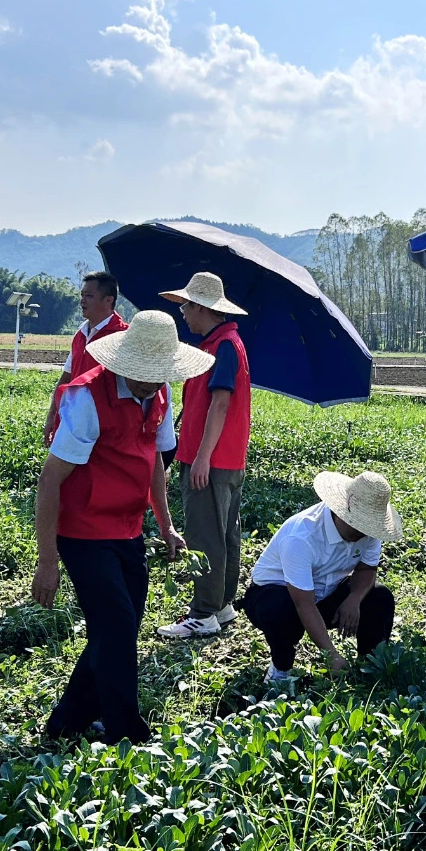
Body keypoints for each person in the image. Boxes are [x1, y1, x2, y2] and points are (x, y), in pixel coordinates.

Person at [32, 310, 211, 742]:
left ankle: (67, 722)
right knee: (115, 626)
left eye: (158, 373)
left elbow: (154, 462)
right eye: (143, 373)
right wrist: (46, 561)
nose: (150, 382)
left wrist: (166, 525)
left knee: (119, 628)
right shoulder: (88, 399)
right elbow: (50, 480)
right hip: (82, 531)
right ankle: (125, 732)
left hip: (128, 528)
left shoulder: (160, 394)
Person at [155, 272, 252, 639]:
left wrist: (201, 457)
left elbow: (221, 403)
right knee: (225, 533)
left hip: (211, 460)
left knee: (205, 535)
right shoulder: (221, 343)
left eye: (185, 306)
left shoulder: (223, 346)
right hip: (225, 459)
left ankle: (203, 613)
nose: (182, 312)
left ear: (202, 307)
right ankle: (222, 604)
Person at [242, 470, 403, 682]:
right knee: (280, 610)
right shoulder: (302, 536)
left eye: (368, 527)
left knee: (379, 597)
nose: (363, 534)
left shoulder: (369, 531)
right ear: (341, 511)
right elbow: (304, 603)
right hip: (279, 593)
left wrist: (354, 598)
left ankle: (371, 667)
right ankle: (280, 669)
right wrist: (331, 654)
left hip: (326, 589)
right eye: (358, 526)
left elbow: (366, 569)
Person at [43, 271, 127, 446]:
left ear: (108, 300)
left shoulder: (122, 336)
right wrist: (52, 415)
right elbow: (66, 377)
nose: (82, 301)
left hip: (104, 431)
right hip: (72, 422)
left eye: (89, 296)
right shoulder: (80, 334)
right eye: (82, 295)